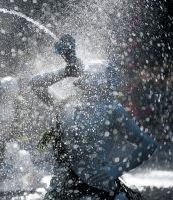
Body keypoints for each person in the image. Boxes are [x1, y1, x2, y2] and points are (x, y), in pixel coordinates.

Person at [28, 34, 158, 199]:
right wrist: (64, 72)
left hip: (96, 186)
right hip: (61, 185)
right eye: (87, 73)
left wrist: (115, 170)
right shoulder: (67, 105)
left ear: (105, 82)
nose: (86, 75)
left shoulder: (112, 110)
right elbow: (33, 84)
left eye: (93, 74)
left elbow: (148, 144)